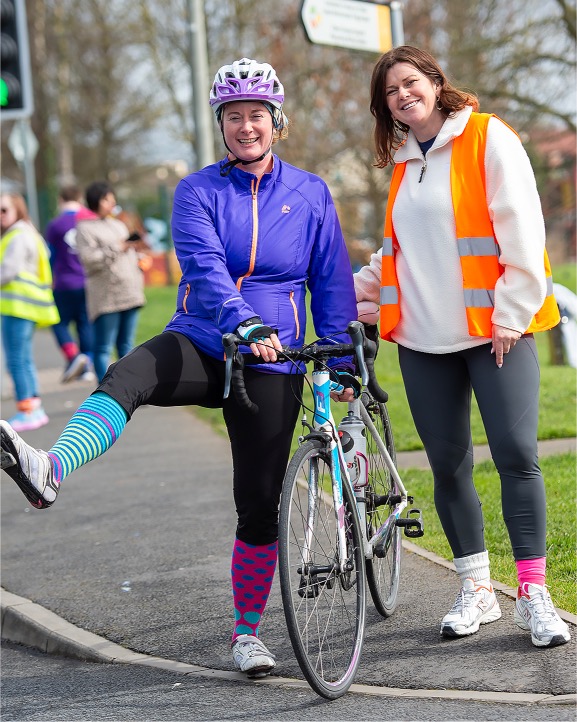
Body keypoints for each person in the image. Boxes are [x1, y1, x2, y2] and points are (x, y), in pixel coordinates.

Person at [0, 58, 358, 677]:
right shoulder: (197, 191)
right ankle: (50, 468)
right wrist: (242, 321)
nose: (246, 126)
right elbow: (202, 266)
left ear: (276, 121)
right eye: (233, 116)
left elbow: (329, 278)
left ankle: (247, 634)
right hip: (204, 338)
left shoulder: (310, 193)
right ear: (221, 125)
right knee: (127, 376)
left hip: (274, 362)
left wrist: (341, 355)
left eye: (256, 115)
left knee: (258, 503)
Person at [354, 45, 570, 648]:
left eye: (410, 82)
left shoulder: (487, 136)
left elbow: (522, 228)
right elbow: (400, 249)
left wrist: (513, 314)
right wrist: (351, 291)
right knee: (448, 466)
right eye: (390, 91)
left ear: (434, 81)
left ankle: (533, 595)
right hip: (424, 340)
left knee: (516, 455)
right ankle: (477, 588)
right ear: (385, 108)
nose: (402, 95)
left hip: (496, 332)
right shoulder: (405, 162)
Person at [0, 193, 60, 431]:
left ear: (18, 209)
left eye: (4, 210)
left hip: (17, 307)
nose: (0, 215)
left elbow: (8, 271)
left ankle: (27, 411)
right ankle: (34, 408)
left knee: (16, 360)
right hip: (26, 306)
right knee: (24, 359)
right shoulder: (29, 233)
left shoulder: (16, 236)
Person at [75, 181, 146, 381]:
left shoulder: (118, 224)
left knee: (127, 345)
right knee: (103, 347)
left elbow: (126, 252)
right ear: (96, 201)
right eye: (107, 199)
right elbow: (89, 259)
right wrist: (118, 247)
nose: (112, 202)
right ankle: (104, 390)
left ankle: (129, 389)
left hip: (129, 292)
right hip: (106, 296)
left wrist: (136, 256)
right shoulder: (85, 229)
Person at [44, 185, 95, 383]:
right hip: (87, 280)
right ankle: (86, 365)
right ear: (80, 198)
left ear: (60, 200)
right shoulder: (89, 220)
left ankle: (73, 356)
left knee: (59, 322)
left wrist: (49, 278)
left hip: (64, 282)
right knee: (85, 322)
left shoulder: (55, 225)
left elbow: (51, 256)